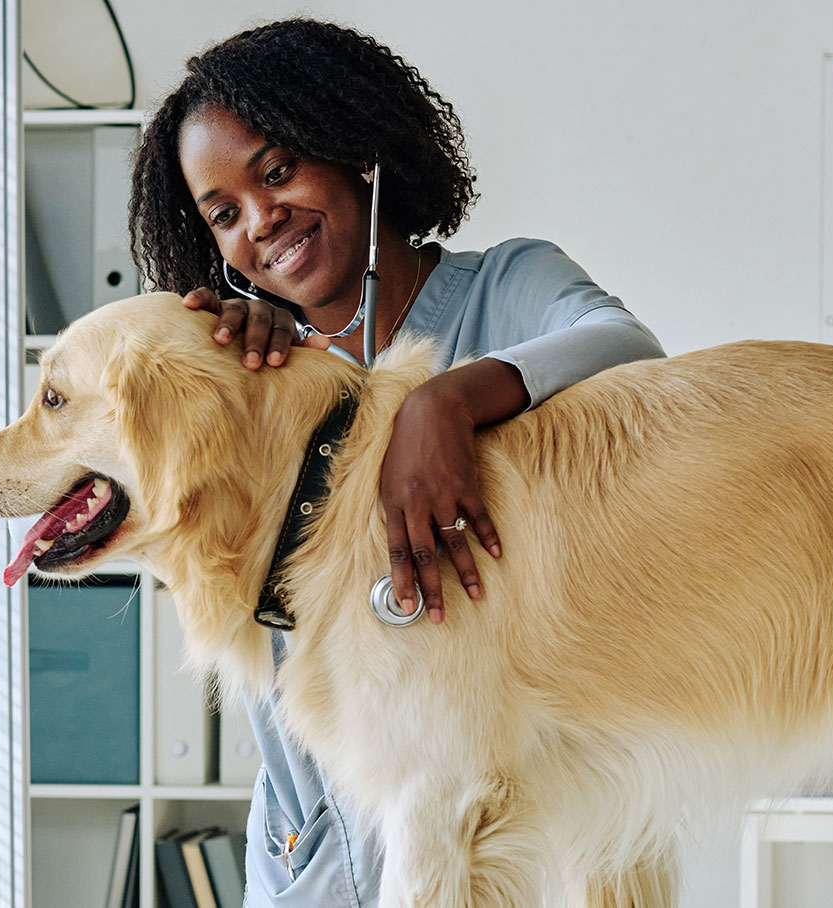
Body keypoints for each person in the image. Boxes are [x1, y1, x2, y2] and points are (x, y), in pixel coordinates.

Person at [127, 19, 664, 906]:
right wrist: (220, 388)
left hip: (506, 828)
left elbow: (628, 349)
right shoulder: (253, 376)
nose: (262, 221)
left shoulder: (505, 287)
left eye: (278, 170)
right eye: (224, 213)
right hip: (319, 853)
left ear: (357, 152)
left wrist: (444, 401)